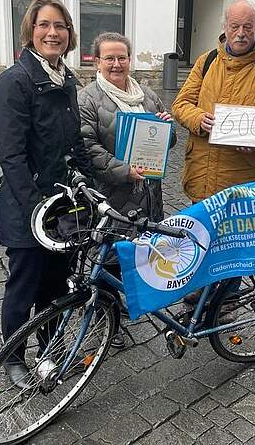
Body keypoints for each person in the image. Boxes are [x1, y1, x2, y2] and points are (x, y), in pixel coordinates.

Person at [0, 0, 92, 387]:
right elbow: (11, 158)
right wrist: (40, 212)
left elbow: (75, 144)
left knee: (55, 285)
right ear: (30, 32)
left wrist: (89, 189)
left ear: (69, 35)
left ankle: (50, 352)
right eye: (44, 25)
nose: (53, 32)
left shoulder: (65, 79)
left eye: (61, 26)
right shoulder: (14, 83)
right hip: (28, 208)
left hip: (64, 207)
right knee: (24, 287)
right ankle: (14, 358)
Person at [79, 32, 176, 345]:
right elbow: (86, 146)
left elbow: (167, 142)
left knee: (137, 251)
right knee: (106, 254)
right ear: (97, 61)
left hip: (148, 193)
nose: (116, 64)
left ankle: (129, 304)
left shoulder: (146, 95)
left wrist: (167, 127)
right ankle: (105, 320)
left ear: (129, 60)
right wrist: (123, 170)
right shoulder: (88, 97)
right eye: (109, 58)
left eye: (122, 57)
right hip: (113, 193)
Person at [171, 0, 255, 203]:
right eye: (235, 26)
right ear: (225, 27)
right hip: (201, 173)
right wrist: (198, 119)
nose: (240, 33)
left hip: (240, 178)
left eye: (247, 27)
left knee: (234, 234)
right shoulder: (206, 61)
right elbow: (181, 105)